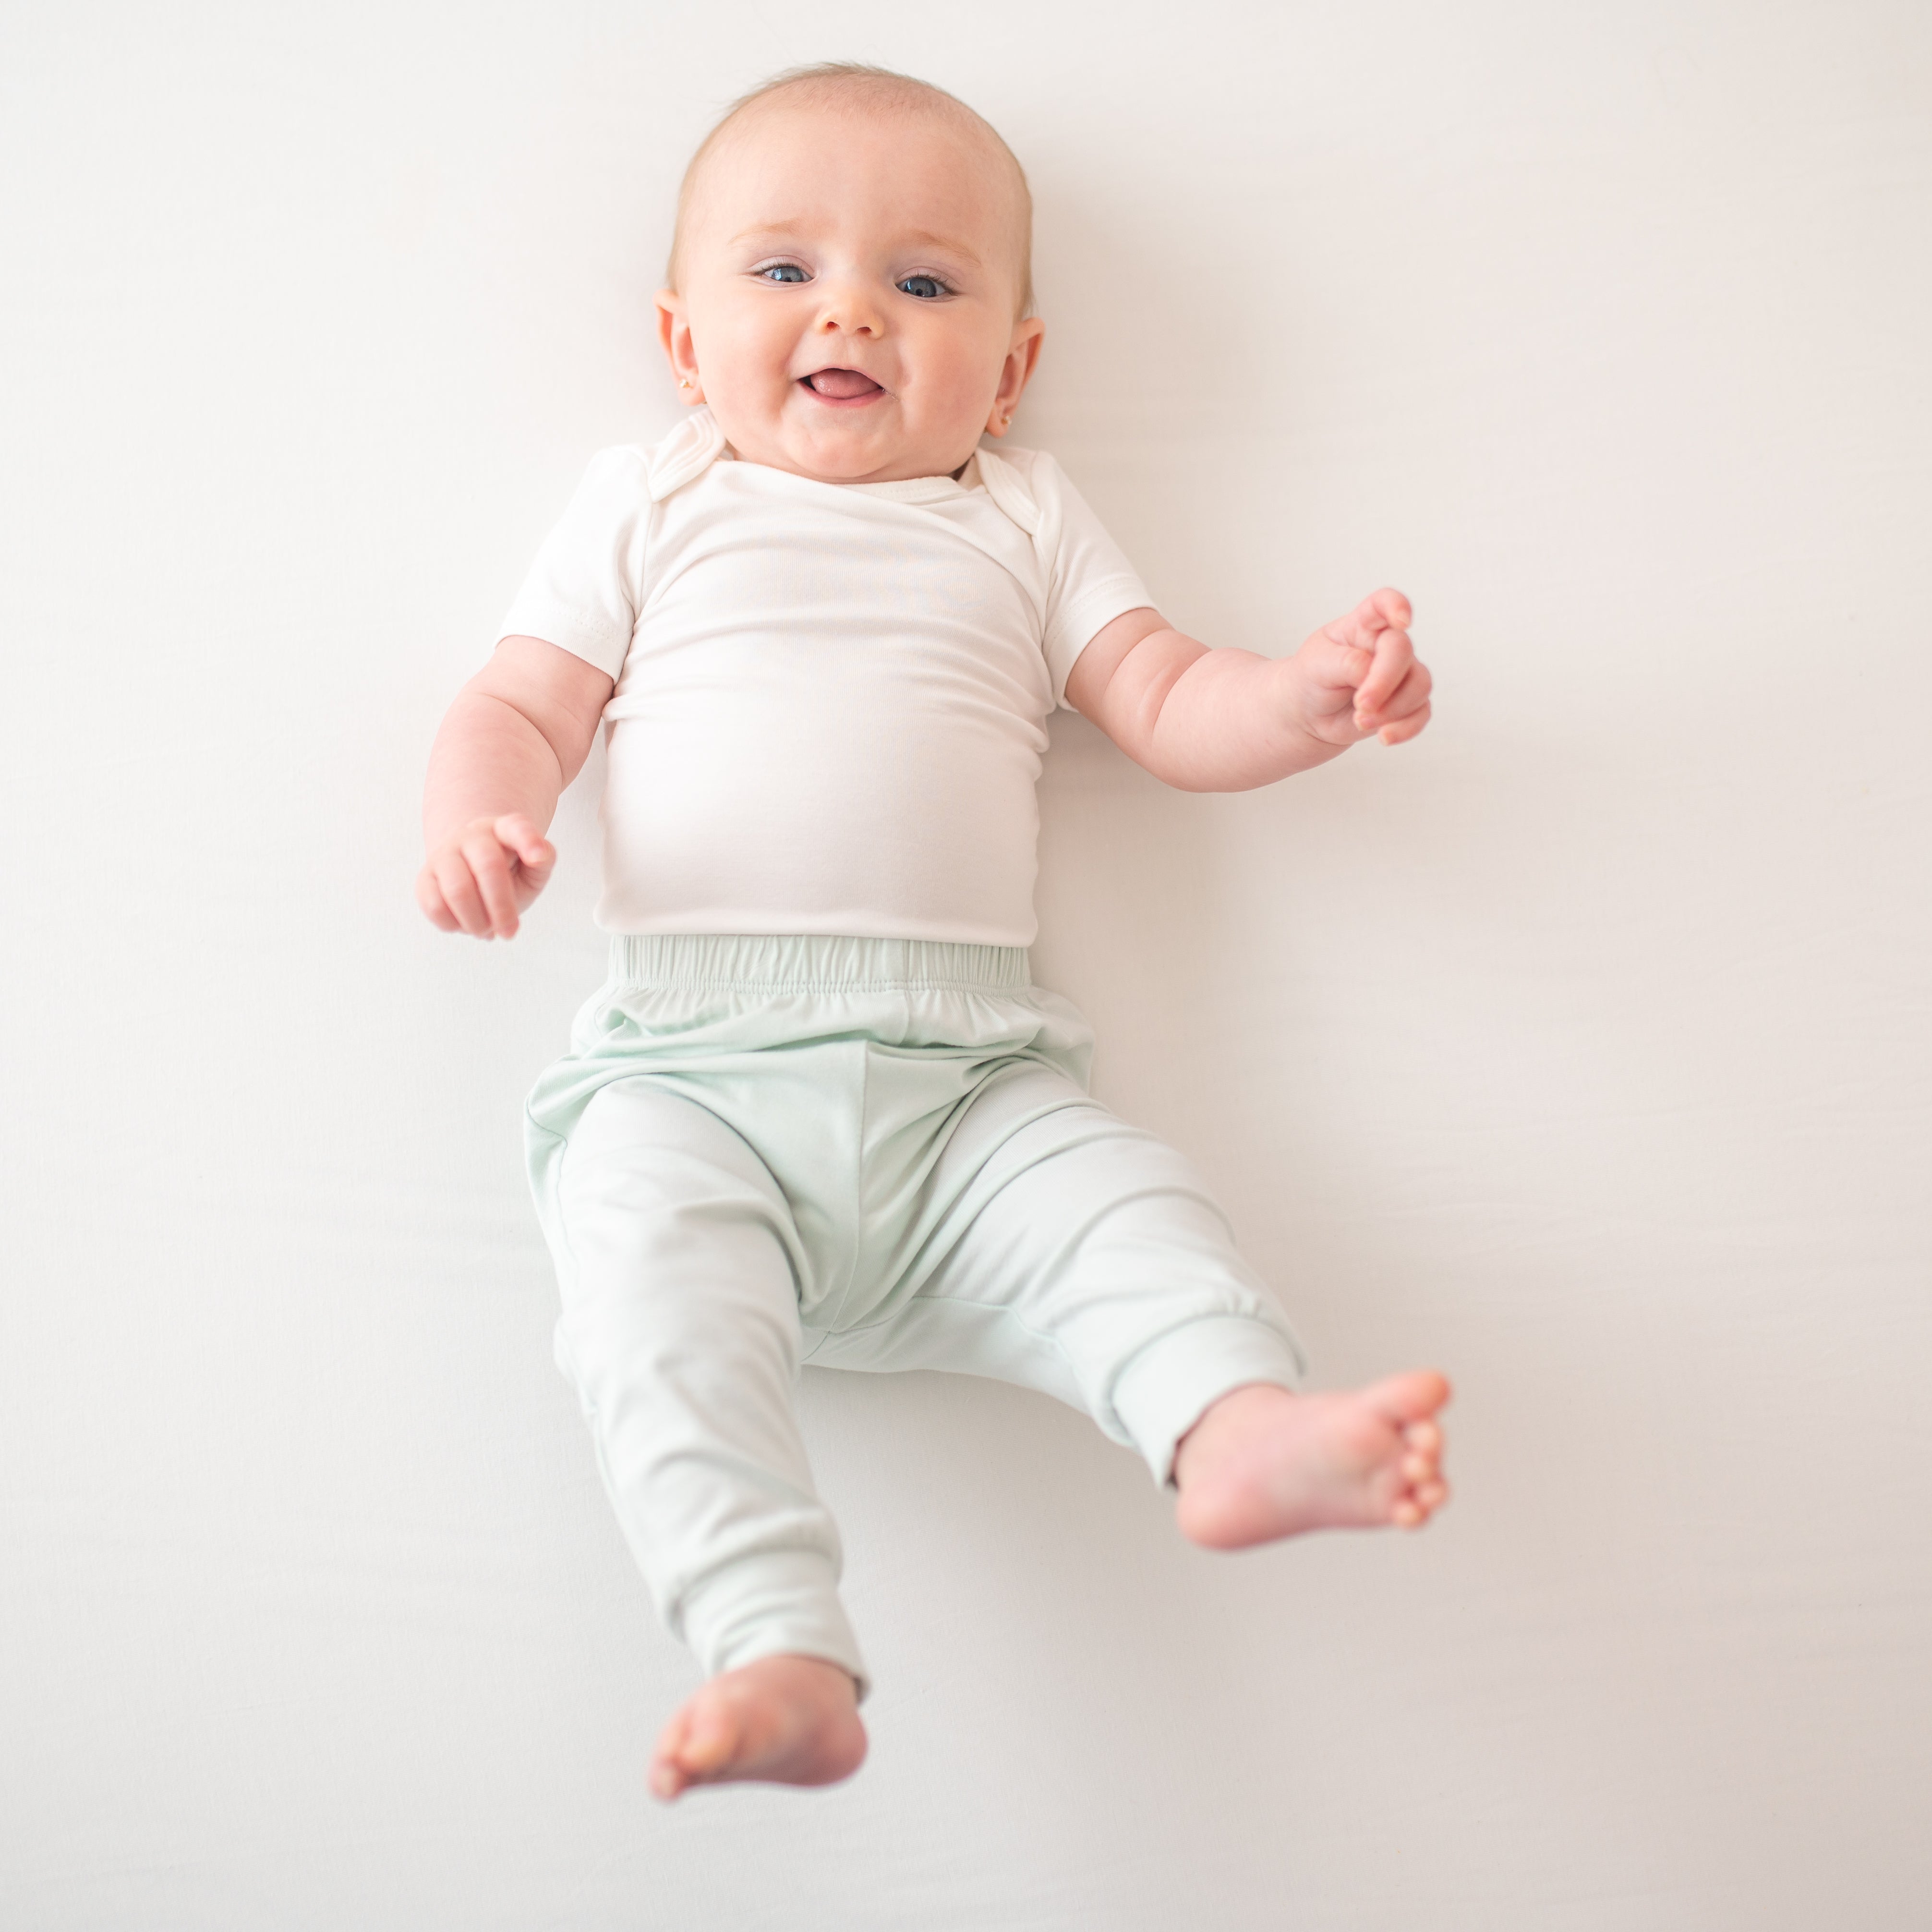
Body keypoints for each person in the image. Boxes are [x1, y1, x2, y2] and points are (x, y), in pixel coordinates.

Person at [416, 62, 1449, 1803]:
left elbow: (1172, 699)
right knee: (641, 1289)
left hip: (974, 1091)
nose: (851, 311)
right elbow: (520, 700)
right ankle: (773, 1644)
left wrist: (1305, 699)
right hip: (695, 1070)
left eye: (924, 281)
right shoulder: (651, 501)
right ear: (683, 342)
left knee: (1131, 1211)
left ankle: (1235, 1427)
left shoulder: (1026, 516)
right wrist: (477, 811)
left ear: (1013, 365)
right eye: (782, 270)